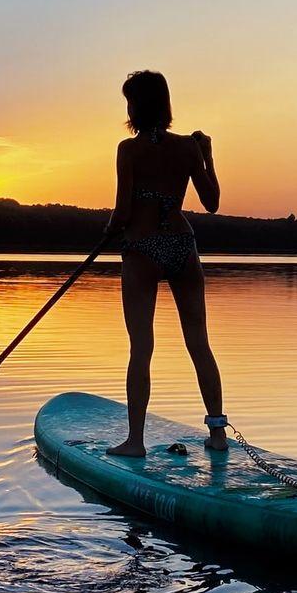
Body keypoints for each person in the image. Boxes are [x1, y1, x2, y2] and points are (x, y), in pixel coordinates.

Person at [102, 70, 228, 457]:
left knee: (141, 347)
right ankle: (218, 434)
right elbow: (212, 202)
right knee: (199, 344)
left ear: (136, 106)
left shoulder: (128, 149)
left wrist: (108, 233)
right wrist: (206, 157)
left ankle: (135, 441)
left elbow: (123, 211)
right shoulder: (188, 148)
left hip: (142, 249)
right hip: (182, 246)